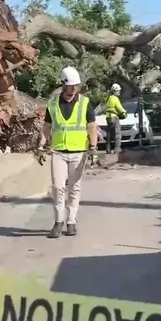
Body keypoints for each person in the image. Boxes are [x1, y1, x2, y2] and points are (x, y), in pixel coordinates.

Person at [41, 66, 99, 239]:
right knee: (58, 187)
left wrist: (93, 147)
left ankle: (71, 221)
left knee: (74, 188)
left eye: (76, 86)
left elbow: (91, 126)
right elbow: (47, 127)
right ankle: (59, 221)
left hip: (79, 151)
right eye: (71, 86)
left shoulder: (85, 102)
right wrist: (41, 144)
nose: (73, 89)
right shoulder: (52, 104)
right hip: (58, 150)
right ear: (63, 85)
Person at [104, 84, 128, 154]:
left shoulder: (109, 98)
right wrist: (124, 112)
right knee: (117, 133)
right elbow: (119, 108)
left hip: (108, 117)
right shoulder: (115, 98)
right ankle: (117, 149)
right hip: (114, 117)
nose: (119, 92)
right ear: (115, 91)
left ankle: (108, 150)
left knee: (109, 134)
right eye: (118, 91)